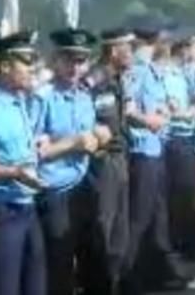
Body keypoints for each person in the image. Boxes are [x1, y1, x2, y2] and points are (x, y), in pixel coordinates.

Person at [0, 30, 47, 295]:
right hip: (2, 211)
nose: (33, 68)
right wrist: (15, 171)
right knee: (7, 288)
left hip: (27, 207)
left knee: (35, 286)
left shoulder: (21, 102)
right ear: (4, 66)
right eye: (26, 62)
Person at [35, 28, 106, 295]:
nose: (76, 67)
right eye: (69, 59)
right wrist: (73, 143)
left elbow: (90, 139)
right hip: (55, 191)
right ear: (56, 60)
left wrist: (98, 138)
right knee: (59, 266)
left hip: (84, 185)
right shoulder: (42, 98)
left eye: (82, 61)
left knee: (92, 259)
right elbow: (34, 153)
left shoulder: (84, 96)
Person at [122, 22, 189, 294]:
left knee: (157, 215)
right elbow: (128, 108)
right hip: (142, 151)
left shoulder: (152, 70)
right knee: (139, 217)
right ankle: (128, 277)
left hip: (156, 148)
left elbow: (151, 104)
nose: (169, 43)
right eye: (165, 38)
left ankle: (155, 272)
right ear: (156, 40)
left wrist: (164, 108)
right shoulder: (137, 70)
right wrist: (147, 119)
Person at [78, 28, 134, 295]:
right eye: (128, 49)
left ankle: (116, 281)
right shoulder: (96, 81)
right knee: (104, 226)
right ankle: (99, 285)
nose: (132, 55)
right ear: (114, 52)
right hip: (104, 161)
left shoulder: (117, 78)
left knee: (120, 228)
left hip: (120, 158)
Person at [160, 37, 195, 259]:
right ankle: (178, 243)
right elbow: (169, 110)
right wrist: (184, 113)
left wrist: (189, 111)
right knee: (177, 194)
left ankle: (190, 243)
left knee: (188, 193)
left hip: (188, 138)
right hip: (173, 139)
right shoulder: (166, 75)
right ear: (183, 48)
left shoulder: (186, 74)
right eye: (194, 46)